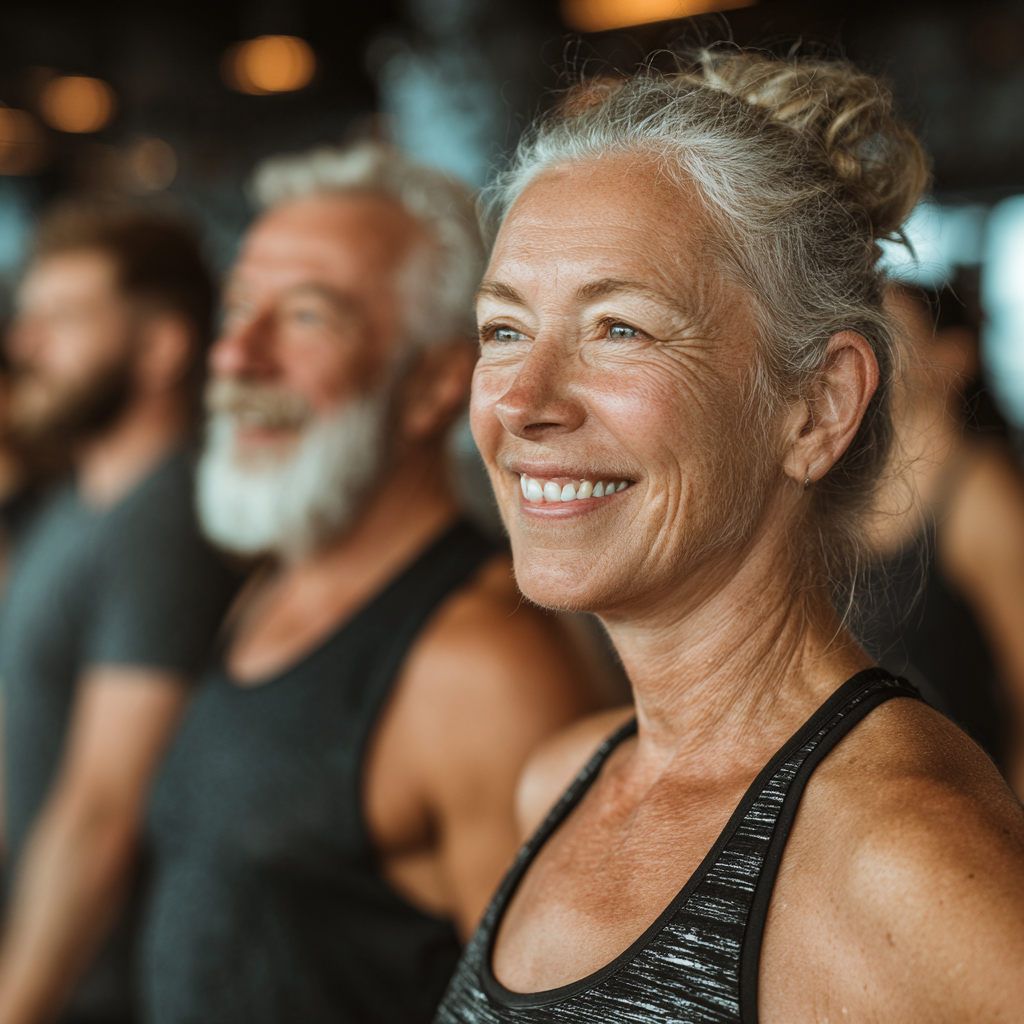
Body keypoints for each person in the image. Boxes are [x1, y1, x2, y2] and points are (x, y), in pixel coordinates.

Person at [433, 51, 1024, 1024]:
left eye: (619, 328)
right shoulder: (560, 784)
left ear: (816, 407)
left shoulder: (905, 859)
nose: (523, 401)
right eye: (503, 330)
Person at [140, 142, 605, 1024]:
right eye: (238, 309)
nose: (237, 354)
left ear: (433, 384)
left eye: (307, 316)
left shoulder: (481, 666)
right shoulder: (275, 586)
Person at [0, 206, 240, 1024]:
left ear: (163, 347)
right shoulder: (73, 506)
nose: (26, 343)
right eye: (29, 316)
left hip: (96, 991)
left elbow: (102, 810)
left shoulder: (164, 526)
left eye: (64, 318)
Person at [864, 280, 1024, 797]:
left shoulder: (982, 497)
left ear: (953, 359)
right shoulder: (840, 499)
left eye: (889, 331)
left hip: (971, 808)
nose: (866, 346)